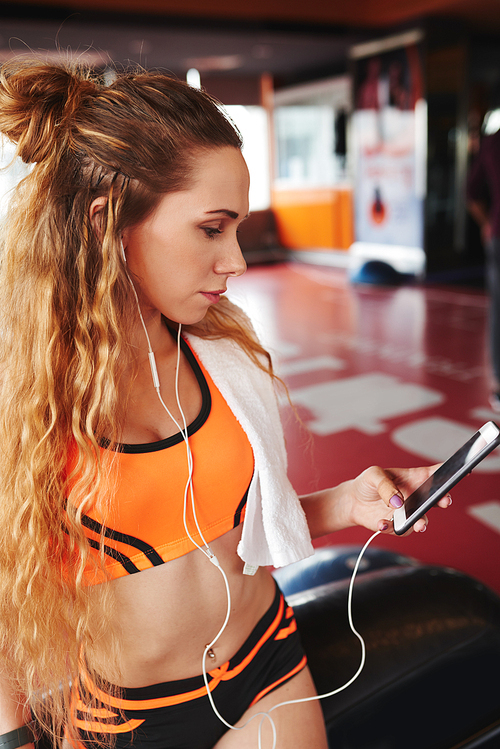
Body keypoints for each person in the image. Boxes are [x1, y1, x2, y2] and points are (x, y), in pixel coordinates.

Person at [0, 60, 450, 749]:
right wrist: (15, 736)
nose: (237, 259)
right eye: (212, 229)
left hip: (268, 664)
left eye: (236, 227)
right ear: (107, 221)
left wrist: (349, 501)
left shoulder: (220, 359)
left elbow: (238, 533)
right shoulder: (27, 399)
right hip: (128, 718)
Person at [467, 127, 500, 412]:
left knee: (499, 310)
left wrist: (487, 224)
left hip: (498, 235)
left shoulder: (493, 142)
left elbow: (471, 192)